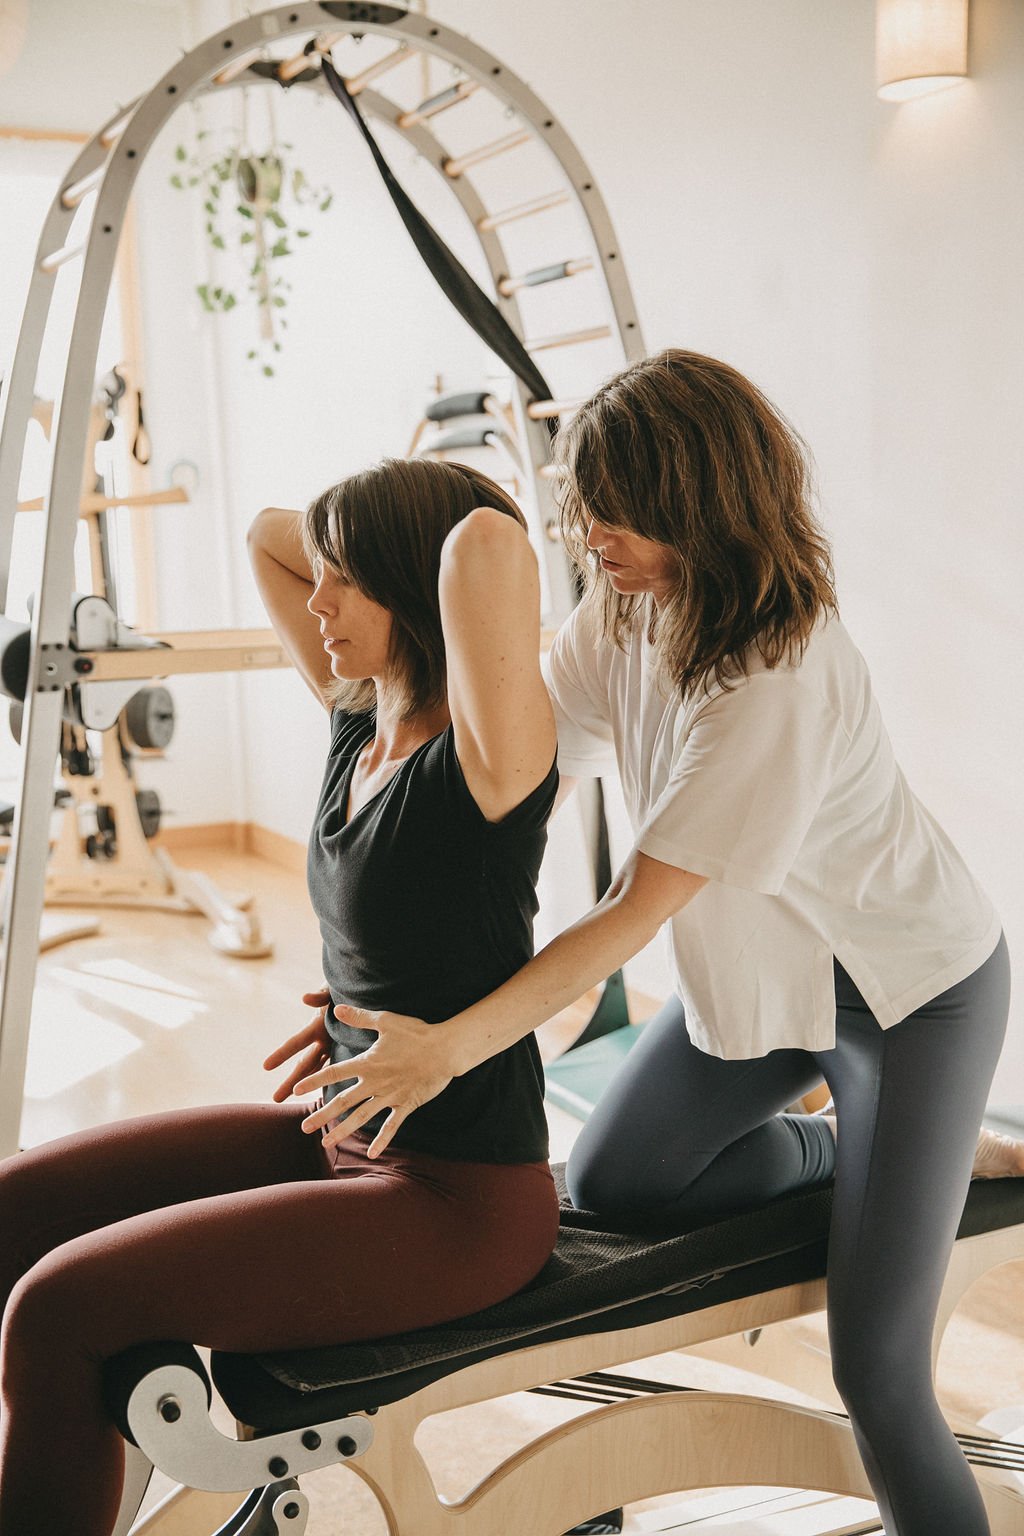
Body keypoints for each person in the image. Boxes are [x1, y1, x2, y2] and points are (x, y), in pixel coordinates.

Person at [296, 352, 1018, 1536]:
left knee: (876, 1371)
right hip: (765, 980)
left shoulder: (775, 674)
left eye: (615, 511)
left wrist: (450, 1050)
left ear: (699, 503)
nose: (591, 535)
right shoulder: (625, 609)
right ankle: (854, 1147)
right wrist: (380, 982)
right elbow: (514, 766)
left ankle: (918, 1144)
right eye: (584, 506)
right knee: (617, 1183)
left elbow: (633, 908)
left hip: (908, 998)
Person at [0, 457, 560, 1536]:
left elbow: (489, 542)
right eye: (325, 573)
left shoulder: (490, 762)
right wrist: (360, 533)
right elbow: (267, 532)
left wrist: (411, 523)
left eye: (347, 578)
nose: (317, 601)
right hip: (336, 1137)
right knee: (12, 1210)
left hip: (458, 1200)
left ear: (415, 583)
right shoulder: (361, 721)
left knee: (60, 1307)